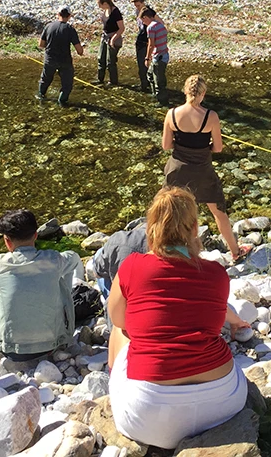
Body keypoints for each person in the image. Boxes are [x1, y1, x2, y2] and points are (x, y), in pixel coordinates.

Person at [107, 187, 249, 449]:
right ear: (194, 228)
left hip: (149, 414)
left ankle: (116, 388)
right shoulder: (216, 273)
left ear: (151, 228)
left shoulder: (132, 266)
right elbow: (214, 320)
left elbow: (118, 319)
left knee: (119, 331)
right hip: (224, 400)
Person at [162, 75, 250, 261]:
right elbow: (218, 148)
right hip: (202, 168)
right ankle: (235, 251)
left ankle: (163, 250)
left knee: (170, 210)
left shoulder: (171, 114)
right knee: (218, 211)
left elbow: (166, 145)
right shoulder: (211, 116)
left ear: (185, 91)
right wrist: (202, 148)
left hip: (176, 169)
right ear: (203, 94)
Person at [0, 209, 83, 361]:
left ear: (6, 241)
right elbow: (73, 257)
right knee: (60, 275)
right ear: (35, 235)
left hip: (10, 350)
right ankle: (62, 326)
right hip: (52, 345)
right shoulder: (54, 260)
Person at [38, 7, 84, 107]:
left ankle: (41, 97)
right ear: (69, 16)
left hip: (49, 60)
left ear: (57, 14)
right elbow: (79, 50)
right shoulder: (70, 29)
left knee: (45, 79)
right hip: (65, 62)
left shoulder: (49, 26)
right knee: (67, 85)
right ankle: (62, 103)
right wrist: (81, 51)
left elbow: (41, 44)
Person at [141, 7, 169, 105]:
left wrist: (147, 58)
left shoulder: (151, 27)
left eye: (142, 20)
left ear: (145, 17)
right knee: (150, 75)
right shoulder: (161, 25)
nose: (143, 23)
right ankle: (155, 95)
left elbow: (151, 45)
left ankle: (162, 102)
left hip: (159, 57)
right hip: (164, 55)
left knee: (159, 81)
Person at [95, 0, 125, 86]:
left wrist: (113, 39)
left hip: (114, 38)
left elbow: (122, 28)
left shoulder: (115, 12)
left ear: (105, 3)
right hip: (105, 37)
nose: (99, 6)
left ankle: (113, 82)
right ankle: (100, 79)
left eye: (99, 4)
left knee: (110, 61)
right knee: (101, 58)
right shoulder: (105, 11)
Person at [132, 0, 154, 93]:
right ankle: (144, 83)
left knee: (145, 63)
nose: (137, 7)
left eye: (138, 5)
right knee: (140, 64)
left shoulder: (149, 12)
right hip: (140, 40)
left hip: (146, 41)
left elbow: (159, 23)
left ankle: (146, 85)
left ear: (143, 2)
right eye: (136, 6)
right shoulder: (137, 12)